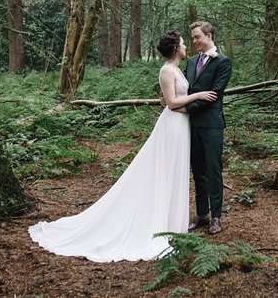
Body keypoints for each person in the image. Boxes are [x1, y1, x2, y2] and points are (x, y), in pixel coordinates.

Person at [29, 31, 217, 261]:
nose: (187, 45)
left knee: (176, 171)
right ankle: (159, 223)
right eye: (184, 43)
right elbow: (171, 102)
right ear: (176, 48)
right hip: (171, 127)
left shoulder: (179, 69)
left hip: (182, 125)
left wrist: (184, 100)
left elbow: (172, 100)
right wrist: (196, 95)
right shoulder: (167, 70)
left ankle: (172, 223)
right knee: (164, 172)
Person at [184, 21, 232, 235]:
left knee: (214, 170)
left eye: (197, 37)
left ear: (209, 36)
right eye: (192, 38)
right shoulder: (192, 61)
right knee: (198, 171)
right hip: (191, 125)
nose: (194, 41)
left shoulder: (223, 62)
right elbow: (186, 88)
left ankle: (216, 217)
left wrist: (186, 108)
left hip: (211, 124)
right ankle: (202, 214)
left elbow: (214, 95)